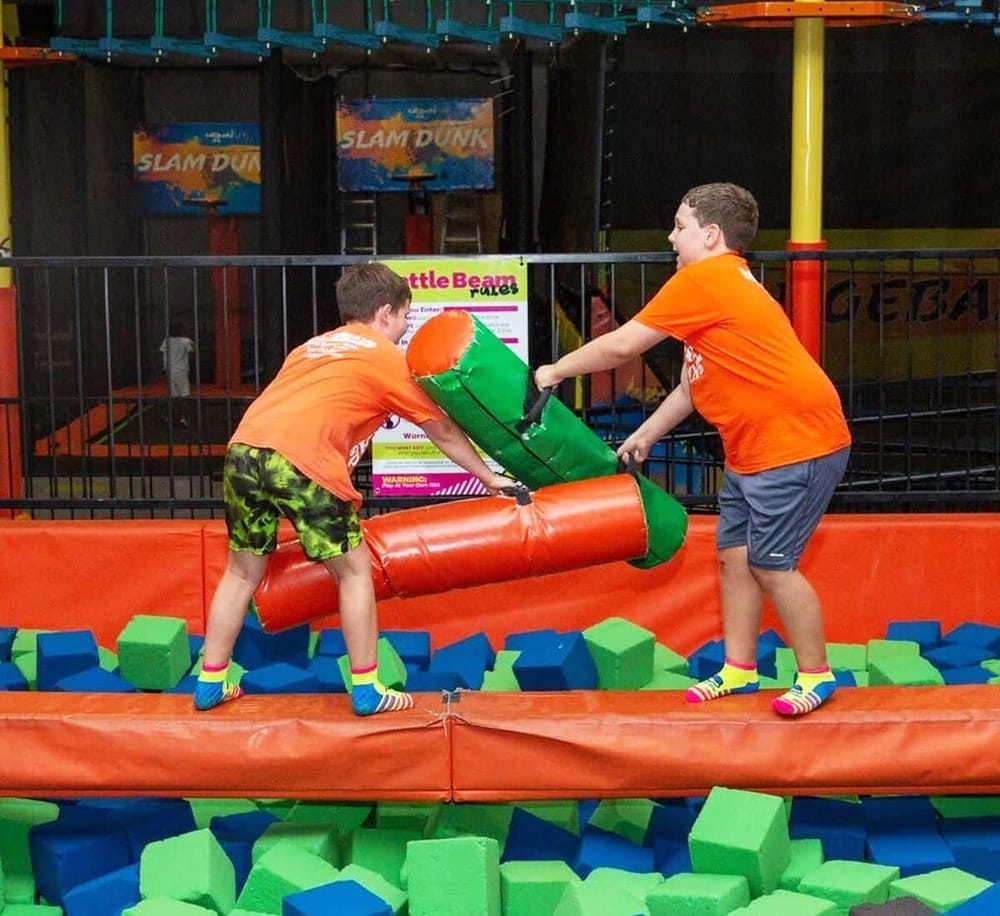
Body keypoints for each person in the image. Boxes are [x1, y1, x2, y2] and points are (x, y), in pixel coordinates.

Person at [535, 182, 851, 717]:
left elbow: (623, 345)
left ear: (710, 235)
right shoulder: (718, 283)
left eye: (679, 227)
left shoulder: (707, 278)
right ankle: (739, 668)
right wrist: (648, 433)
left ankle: (817, 674)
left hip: (797, 444)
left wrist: (555, 370)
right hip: (754, 451)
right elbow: (690, 384)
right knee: (732, 558)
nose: (670, 236)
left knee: (773, 565)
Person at [196, 263, 511, 715]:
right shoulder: (383, 357)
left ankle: (210, 679)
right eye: (405, 317)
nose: (405, 329)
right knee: (354, 570)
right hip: (301, 460)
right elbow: (440, 431)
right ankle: (367, 688)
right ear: (385, 313)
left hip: (244, 452)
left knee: (242, 572)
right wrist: (487, 476)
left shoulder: (311, 347)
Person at [160, 320, 194, 427]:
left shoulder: (167, 341)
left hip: (170, 371)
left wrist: (164, 369)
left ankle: (174, 418)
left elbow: (163, 356)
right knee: (184, 395)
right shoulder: (185, 341)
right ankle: (183, 418)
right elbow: (193, 353)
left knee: (174, 396)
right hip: (181, 371)